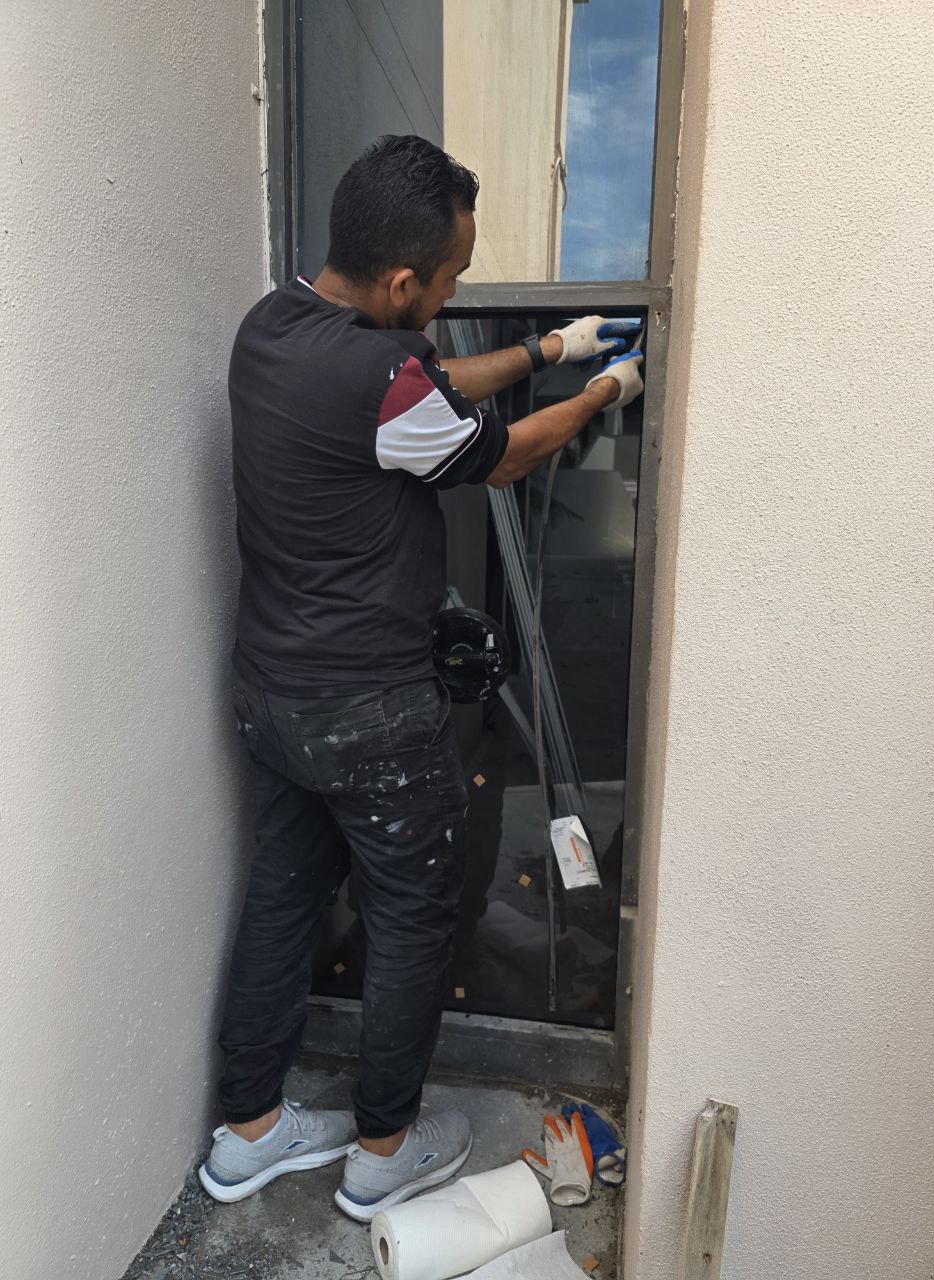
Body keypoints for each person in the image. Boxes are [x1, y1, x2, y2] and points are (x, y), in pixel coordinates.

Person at [199, 135, 644, 1221]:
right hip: (371, 714)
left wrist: (546, 347)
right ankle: (383, 1151)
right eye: (449, 280)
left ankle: (247, 1133)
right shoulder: (380, 376)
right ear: (402, 282)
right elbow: (495, 452)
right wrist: (604, 390)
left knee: (283, 893)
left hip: (273, 693)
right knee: (411, 918)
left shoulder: (272, 328)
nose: (451, 297)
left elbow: (426, 395)